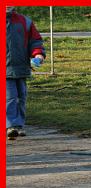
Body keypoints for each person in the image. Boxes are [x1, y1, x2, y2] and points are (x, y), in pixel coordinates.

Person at [6, 5, 45, 140]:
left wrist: (38, 54)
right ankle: (11, 125)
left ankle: (19, 125)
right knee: (10, 97)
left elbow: (35, 41)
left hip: (21, 68)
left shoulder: (25, 21)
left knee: (21, 97)